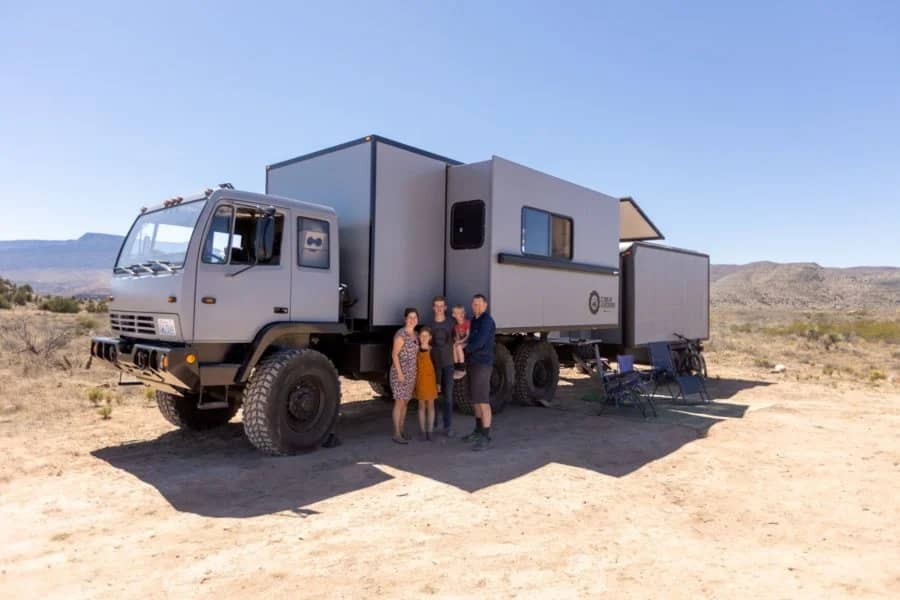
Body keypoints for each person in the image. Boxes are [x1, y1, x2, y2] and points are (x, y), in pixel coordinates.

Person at [461, 293, 495, 451]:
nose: (477, 306)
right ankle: (477, 430)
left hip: (482, 364)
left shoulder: (487, 321)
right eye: (474, 304)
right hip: (472, 364)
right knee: (474, 400)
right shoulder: (474, 321)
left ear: (485, 305)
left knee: (482, 400)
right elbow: (469, 338)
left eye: (480, 304)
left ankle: (486, 435)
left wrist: (465, 349)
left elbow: (480, 342)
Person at [426, 296, 456, 437]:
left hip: (449, 364)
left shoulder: (451, 323)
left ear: (445, 307)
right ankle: (434, 424)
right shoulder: (429, 325)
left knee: (448, 396)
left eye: (441, 306)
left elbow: (457, 342)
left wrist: (460, 363)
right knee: (434, 396)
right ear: (433, 308)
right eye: (436, 306)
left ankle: (448, 426)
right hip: (434, 366)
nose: (439, 308)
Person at [389, 307, 419, 444]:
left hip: (411, 373)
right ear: (405, 319)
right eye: (410, 317)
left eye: (415, 317)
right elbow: (394, 354)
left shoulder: (416, 335)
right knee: (399, 402)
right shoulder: (401, 334)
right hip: (400, 373)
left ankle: (401, 430)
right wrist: (400, 373)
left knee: (406, 402)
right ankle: (396, 433)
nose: (412, 320)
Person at [414, 327, 439, 441]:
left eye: (426, 336)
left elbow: (438, 368)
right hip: (420, 380)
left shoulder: (433, 351)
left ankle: (430, 431)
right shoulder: (416, 351)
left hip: (431, 381)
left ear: (430, 338)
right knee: (421, 406)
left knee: (431, 405)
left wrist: (438, 383)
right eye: (422, 336)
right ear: (419, 337)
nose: (424, 338)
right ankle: (423, 432)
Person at [451, 304, 471, 379]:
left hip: (468, 342)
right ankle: (456, 365)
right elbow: (457, 337)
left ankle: (462, 367)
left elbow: (468, 336)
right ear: (453, 315)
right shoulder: (456, 326)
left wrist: (460, 342)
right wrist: (457, 341)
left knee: (458, 346)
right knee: (454, 346)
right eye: (457, 313)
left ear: (464, 313)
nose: (460, 315)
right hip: (462, 342)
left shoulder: (467, 322)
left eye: (461, 313)